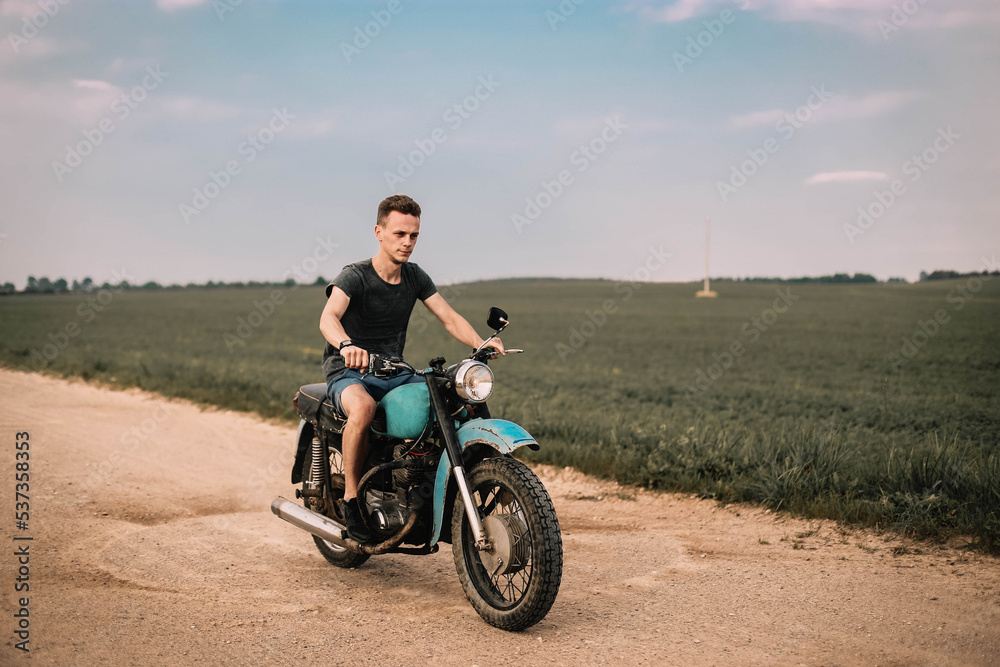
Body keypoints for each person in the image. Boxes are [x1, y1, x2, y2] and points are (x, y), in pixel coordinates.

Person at [319, 194, 504, 542]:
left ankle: (454, 479)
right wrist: (346, 345)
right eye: (399, 234)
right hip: (349, 371)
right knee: (363, 408)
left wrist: (479, 343)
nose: (407, 242)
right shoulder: (355, 276)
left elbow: (448, 316)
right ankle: (352, 500)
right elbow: (328, 317)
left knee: (451, 397)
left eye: (413, 235)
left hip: (392, 369)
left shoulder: (414, 277)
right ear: (379, 232)